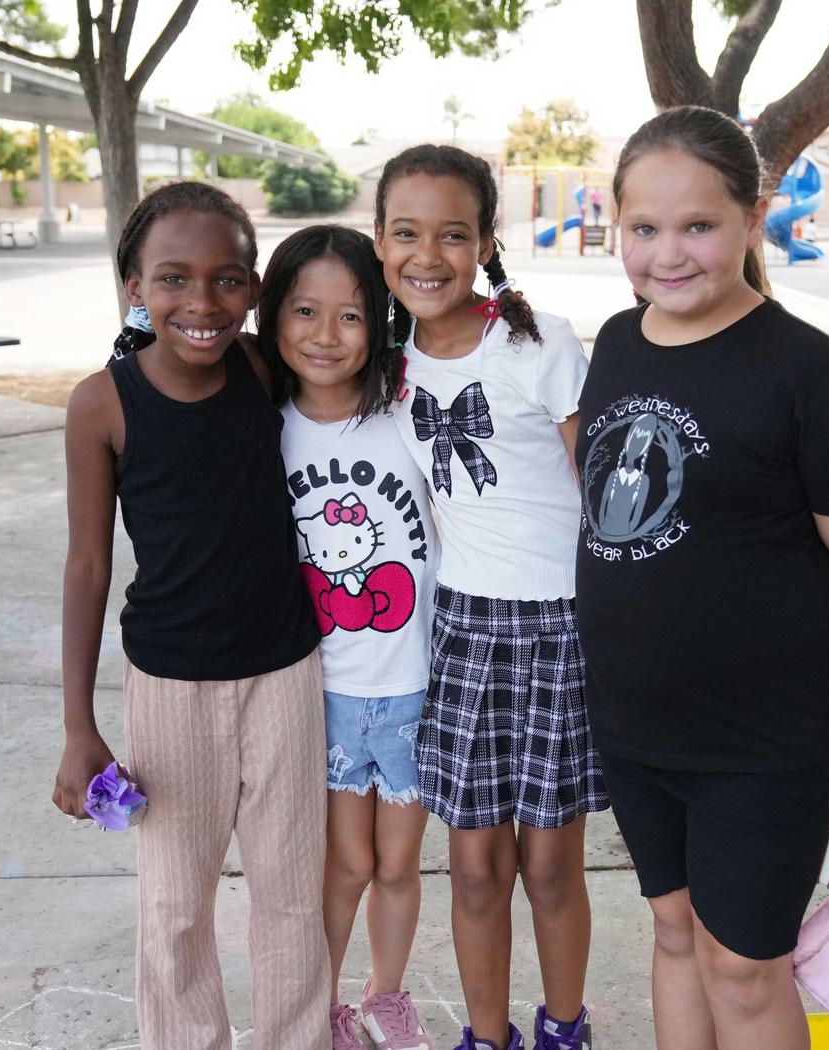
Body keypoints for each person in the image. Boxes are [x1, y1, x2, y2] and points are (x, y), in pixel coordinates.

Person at [575, 106, 829, 1050]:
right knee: (677, 933)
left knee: (745, 966)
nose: (668, 254)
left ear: (753, 218)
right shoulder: (617, 341)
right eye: (644, 229)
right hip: (636, 725)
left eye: (699, 226)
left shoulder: (813, 377)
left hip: (762, 738)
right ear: (616, 225)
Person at [53, 181, 328, 1050]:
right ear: (134, 284)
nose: (203, 303)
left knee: (291, 891)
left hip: (286, 672)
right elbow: (88, 563)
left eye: (229, 279)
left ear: (254, 288)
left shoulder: (259, 370)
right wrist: (76, 726)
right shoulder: (102, 402)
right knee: (176, 901)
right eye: (173, 278)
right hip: (169, 684)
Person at [376, 144, 606, 1050]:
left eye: (452, 234)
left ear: (484, 243)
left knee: (549, 864)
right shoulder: (383, 359)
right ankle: (486, 1036)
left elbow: (608, 498)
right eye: (405, 233)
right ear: (379, 239)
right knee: (473, 867)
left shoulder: (538, 341)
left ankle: (562, 1028)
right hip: (461, 630)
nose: (426, 256)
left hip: (561, 628)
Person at [261, 225, 440, 1050]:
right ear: (274, 315)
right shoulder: (262, 430)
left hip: (413, 687)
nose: (325, 336)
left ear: (381, 322)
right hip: (323, 696)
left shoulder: (405, 415)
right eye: (304, 311)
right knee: (346, 867)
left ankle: (387, 996)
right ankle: (324, 1007)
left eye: (350, 316)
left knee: (399, 865)